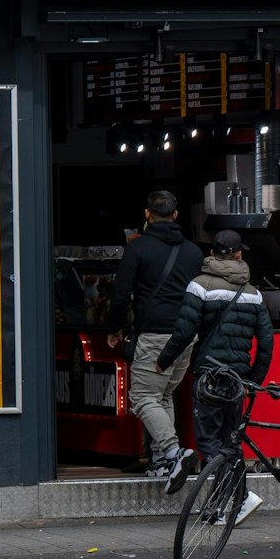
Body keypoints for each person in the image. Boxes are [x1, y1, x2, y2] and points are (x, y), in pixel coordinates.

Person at [156, 230, 274, 513]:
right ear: (238, 255)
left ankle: (239, 495)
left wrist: (164, 360)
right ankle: (228, 503)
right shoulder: (254, 294)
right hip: (236, 380)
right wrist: (252, 380)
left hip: (209, 377)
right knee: (229, 440)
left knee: (208, 440)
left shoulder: (199, 286)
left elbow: (185, 332)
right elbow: (267, 342)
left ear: (212, 253)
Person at [110, 190, 205, 485]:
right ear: (176, 215)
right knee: (163, 395)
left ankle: (174, 452)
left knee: (142, 397)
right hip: (186, 336)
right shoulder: (193, 252)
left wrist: (114, 328)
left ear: (147, 215)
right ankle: (162, 462)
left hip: (154, 336)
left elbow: (121, 294)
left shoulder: (138, 249)